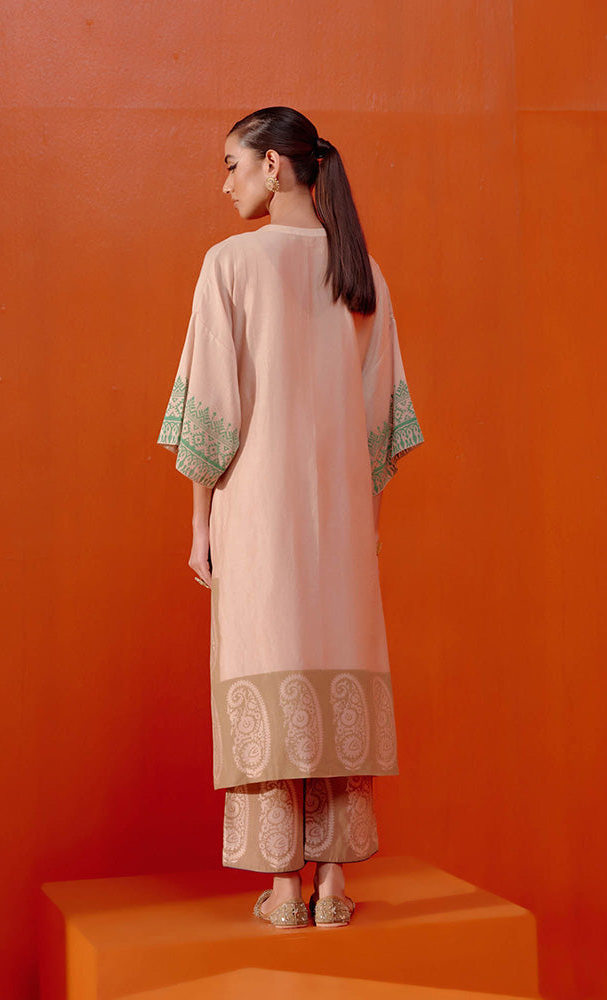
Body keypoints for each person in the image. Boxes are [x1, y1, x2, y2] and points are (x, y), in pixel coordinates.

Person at [157, 107, 424, 929]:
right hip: (341, 523)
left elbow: (212, 410)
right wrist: (366, 522)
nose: (225, 183)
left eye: (231, 163)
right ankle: (333, 886)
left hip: (261, 520)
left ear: (274, 166)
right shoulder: (363, 273)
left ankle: (282, 890)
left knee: (266, 665)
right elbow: (381, 426)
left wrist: (200, 524)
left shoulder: (231, 264)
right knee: (335, 668)